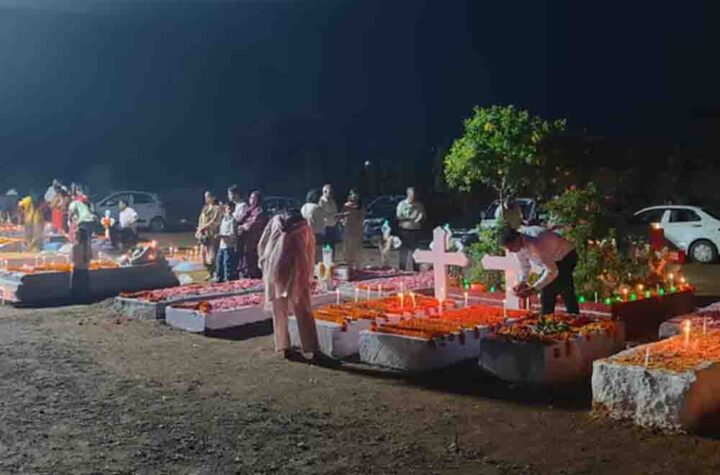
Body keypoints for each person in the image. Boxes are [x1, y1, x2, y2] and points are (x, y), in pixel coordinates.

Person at [258, 209, 320, 359]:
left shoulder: (275, 221)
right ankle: (311, 347)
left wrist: (264, 261)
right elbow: (310, 250)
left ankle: (283, 345)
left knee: (279, 309)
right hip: (297, 269)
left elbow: (262, 243)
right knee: (303, 308)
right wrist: (310, 274)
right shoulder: (304, 227)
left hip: (275, 268)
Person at [499, 227, 579, 315]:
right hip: (552, 257)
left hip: (566, 255)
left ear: (517, 239)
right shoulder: (518, 243)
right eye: (507, 248)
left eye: (511, 247)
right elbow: (524, 265)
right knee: (553, 288)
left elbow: (552, 271)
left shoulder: (536, 245)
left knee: (553, 288)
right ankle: (551, 316)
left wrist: (534, 289)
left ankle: (568, 316)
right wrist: (522, 282)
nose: (510, 251)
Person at [237, 191, 268, 279]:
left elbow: (253, 225)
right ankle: (244, 273)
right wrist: (241, 226)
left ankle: (253, 274)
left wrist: (244, 226)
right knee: (244, 256)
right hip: (245, 238)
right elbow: (240, 221)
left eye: (253, 198)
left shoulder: (259, 211)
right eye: (250, 198)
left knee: (252, 257)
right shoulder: (249, 210)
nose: (251, 200)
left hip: (254, 239)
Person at [396, 186, 425, 271]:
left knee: (415, 250)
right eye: (411, 195)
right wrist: (410, 218)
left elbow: (422, 215)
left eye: (414, 195)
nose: (413, 196)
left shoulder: (419, 205)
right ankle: (402, 268)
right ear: (408, 194)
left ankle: (416, 268)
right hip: (405, 229)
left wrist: (419, 217)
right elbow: (399, 216)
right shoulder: (402, 204)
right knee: (404, 250)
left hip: (415, 230)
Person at [196, 191, 222, 279]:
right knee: (203, 255)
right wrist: (199, 229)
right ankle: (210, 272)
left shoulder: (217, 208)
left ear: (213, 197)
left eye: (208, 197)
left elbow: (215, 221)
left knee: (212, 255)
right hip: (204, 235)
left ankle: (216, 273)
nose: (206, 199)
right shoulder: (205, 208)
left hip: (212, 234)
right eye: (205, 197)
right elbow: (200, 219)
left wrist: (204, 227)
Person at [341, 189, 365, 268]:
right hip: (348, 230)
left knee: (357, 249)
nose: (354, 196)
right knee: (348, 249)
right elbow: (341, 216)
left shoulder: (361, 206)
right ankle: (348, 266)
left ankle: (358, 266)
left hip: (357, 230)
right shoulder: (346, 206)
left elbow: (362, 217)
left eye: (356, 194)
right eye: (352, 194)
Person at [214, 202, 238, 282]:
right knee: (219, 262)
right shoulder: (223, 219)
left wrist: (222, 236)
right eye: (228, 208)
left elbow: (232, 235)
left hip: (229, 246)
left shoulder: (233, 220)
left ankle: (227, 279)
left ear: (233, 209)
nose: (229, 210)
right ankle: (219, 278)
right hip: (222, 245)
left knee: (227, 263)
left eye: (231, 208)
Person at [301, 189, 325, 259]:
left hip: (305, 234)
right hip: (317, 234)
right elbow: (321, 223)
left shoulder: (303, 207)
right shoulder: (318, 208)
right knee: (318, 256)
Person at [70, 227, 92, 302]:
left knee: (76, 293)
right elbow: (90, 258)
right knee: (85, 291)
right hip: (85, 271)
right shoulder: (88, 247)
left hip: (77, 272)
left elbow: (72, 259)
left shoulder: (75, 247)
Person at [318, 183, 339, 248]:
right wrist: (332, 215)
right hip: (325, 226)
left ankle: (331, 255)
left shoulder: (332, 201)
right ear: (325, 192)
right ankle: (327, 255)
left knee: (332, 245)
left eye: (332, 192)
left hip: (333, 225)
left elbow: (336, 211)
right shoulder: (321, 201)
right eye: (330, 192)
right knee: (327, 245)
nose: (332, 194)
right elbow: (322, 214)